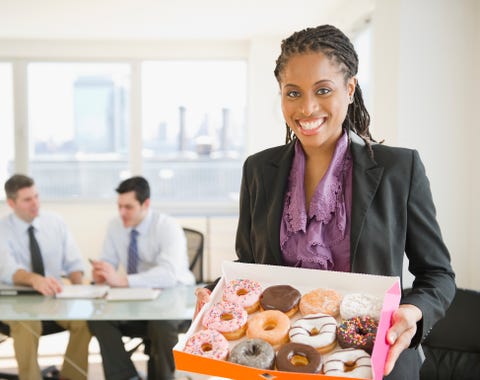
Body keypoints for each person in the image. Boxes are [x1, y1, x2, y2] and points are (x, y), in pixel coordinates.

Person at [195, 25, 456, 379]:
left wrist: (413, 312)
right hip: (280, 363)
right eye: (293, 93)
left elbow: (437, 275)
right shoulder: (259, 170)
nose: (307, 108)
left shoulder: (400, 169)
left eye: (323, 90)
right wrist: (213, 295)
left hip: (376, 362)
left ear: (350, 89)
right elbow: (250, 265)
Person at [87, 176, 195, 380]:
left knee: (161, 326)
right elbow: (108, 260)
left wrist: (123, 280)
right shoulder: (115, 225)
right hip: (134, 298)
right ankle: (125, 376)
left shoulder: (167, 226)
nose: (122, 213)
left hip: (172, 297)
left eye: (128, 207)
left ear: (146, 204)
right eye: (119, 206)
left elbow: (169, 274)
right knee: (98, 320)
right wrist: (102, 273)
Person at [0, 174, 91, 380]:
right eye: (27, 199)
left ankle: (71, 377)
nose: (35, 204)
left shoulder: (55, 222)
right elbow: (8, 269)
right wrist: (35, 279)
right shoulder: (2, 229)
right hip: (16, 301)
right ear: (12, 203)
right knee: (27, 325)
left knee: (85, 321)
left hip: (53, 296)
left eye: (36, 196)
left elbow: (74, 264)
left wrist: (81, 289)